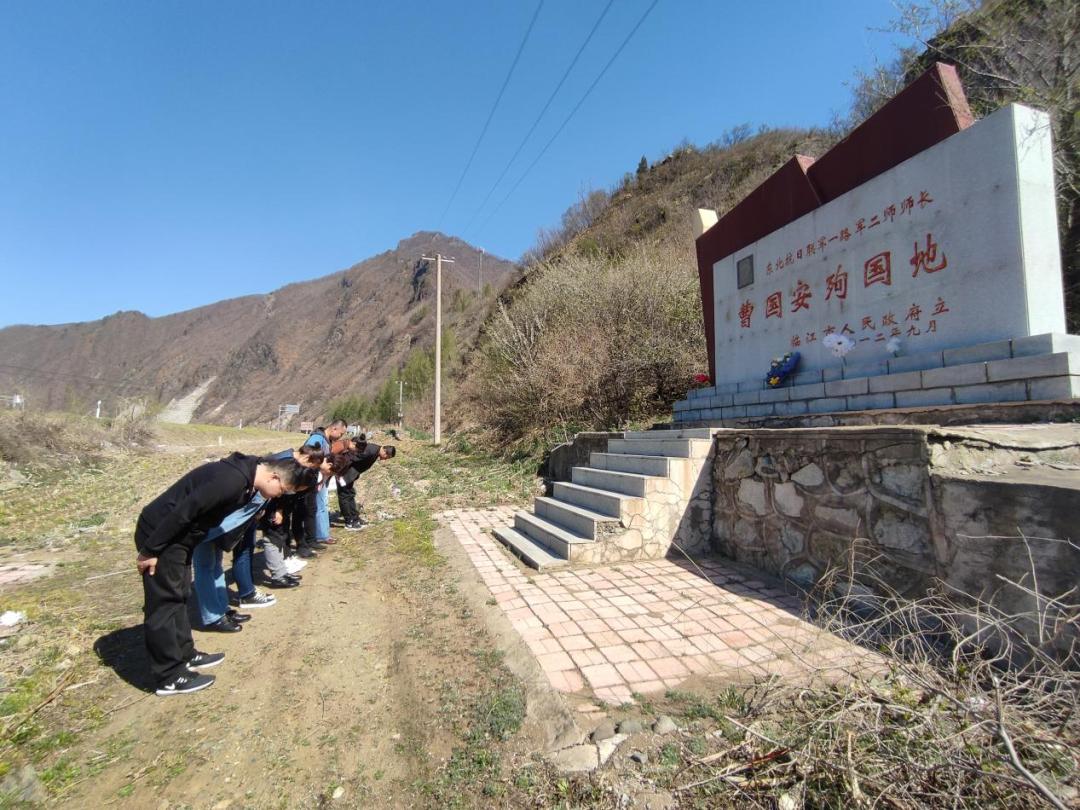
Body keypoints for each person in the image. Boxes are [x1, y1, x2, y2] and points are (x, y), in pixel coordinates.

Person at [134, 453, 317, 696]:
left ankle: (185, 654)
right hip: (162, 534)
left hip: (179, 538)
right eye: (281, 490)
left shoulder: (246, 475)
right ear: (273, 477)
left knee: (180, 595)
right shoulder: (231, 480)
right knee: (165, 603)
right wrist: (151, 550)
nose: (278, 496)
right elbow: (184, 511)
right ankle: (169, 675)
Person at [298, 420, 347, 553]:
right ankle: (319, 536)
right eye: (341, 433)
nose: (340, 437)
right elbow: (306, 457)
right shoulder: (317, 439)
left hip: (320, 478)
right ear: (334, 429)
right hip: (314, 479)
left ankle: (321, 535)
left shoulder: (326, 440)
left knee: (321, 505)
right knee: (316, 507)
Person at [338, 443, 396, 530]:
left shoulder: (375, 452)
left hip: (349, 476)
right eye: (387, 456)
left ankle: (354, 518)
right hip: (343, 474)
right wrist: (339, 473)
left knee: (350, 494)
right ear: (384, 450)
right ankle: (349, 522)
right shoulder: (371, 450)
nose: (385, 459)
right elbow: (350, 458)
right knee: (344, 496)